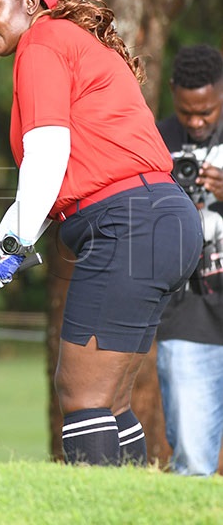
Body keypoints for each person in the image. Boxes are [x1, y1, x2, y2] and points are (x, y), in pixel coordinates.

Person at [0, 0, 203, 467]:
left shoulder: (42, 44)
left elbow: (45, 165)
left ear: (31, 1)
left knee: (80, 398)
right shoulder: (66, 40)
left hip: (129, 223)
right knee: (111, 402)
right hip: (162, 220)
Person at [155, 44, 223, 476]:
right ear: (173, 93)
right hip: (187, 313)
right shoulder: (156, 140)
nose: (196, 122)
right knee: (193, 464)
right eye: (186, 112)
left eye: (207, 112)